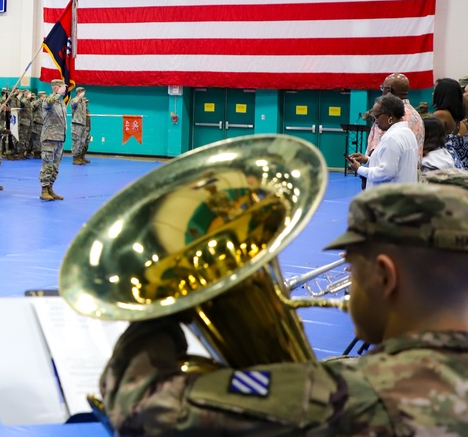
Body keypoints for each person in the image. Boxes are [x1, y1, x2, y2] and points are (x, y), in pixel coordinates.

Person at [100, 182, 468, 436]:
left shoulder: (348, 395)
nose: (350, 279)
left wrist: (162, 303)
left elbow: (142, 409)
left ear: (385, 277)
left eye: (353, 268)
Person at [346, 94, 418, 188]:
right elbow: (393, 162)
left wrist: (359, 169)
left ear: (389, 115)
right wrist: (367, 160)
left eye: (377, 117)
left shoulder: (393, 137)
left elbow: (386, 172)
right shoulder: (408, 133)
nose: (375, 122)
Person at [39, 79, 68, 200]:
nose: (65, 89)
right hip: (49, 138)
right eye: (62, 87)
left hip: (59, 139)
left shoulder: (61, 103)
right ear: (56, 88)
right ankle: (44, 190)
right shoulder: (48, 100)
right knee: (48, 165)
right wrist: (56, 93)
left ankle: (50, 188)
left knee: (55, 166)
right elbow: (49, 103)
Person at [432, 77, 468, 167]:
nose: (433, 94)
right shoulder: (461, 120)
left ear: (442, 94)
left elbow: (431, 143)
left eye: (435, 91)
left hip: (448, 166)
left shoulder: (440, 114)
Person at [71, 86, 91, 164]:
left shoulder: (83, 101)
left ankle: (80, 157)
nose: (84, 94)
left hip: (83, 124)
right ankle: (75, 158)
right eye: (82, 92)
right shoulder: (74, 100)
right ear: (79, 92)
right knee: (76, 141)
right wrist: (79, 97)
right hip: (76, 124)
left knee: (82, 142)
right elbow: (73, 105)